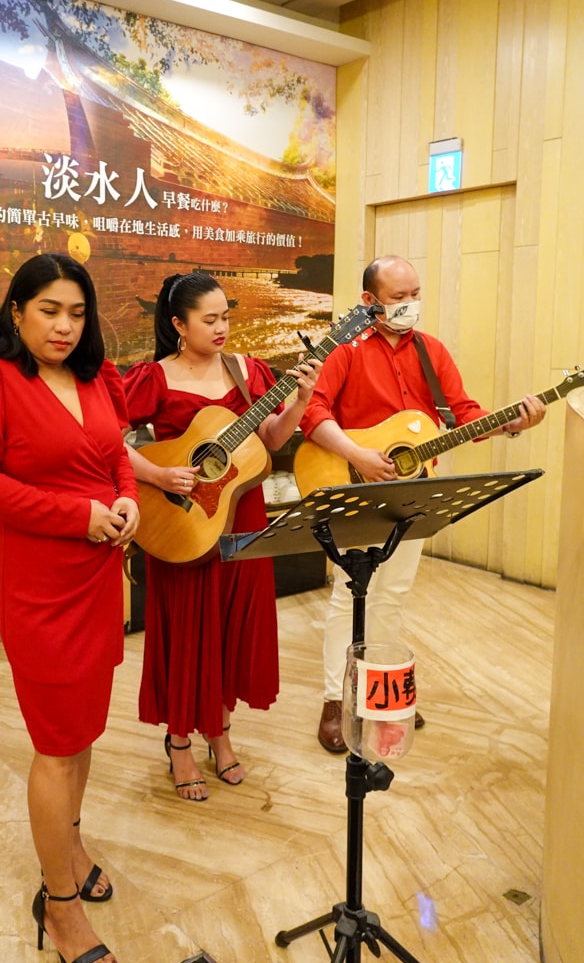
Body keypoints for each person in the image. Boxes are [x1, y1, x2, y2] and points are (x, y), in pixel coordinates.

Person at [0, 253, 139, 963]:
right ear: (16, 309)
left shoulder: (95, 375)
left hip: (97, 572)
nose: (63, 325)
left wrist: (126, 501)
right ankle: (59, 905)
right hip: (37, 581)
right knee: (56, 743)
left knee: (83, 727)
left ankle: (73, 848)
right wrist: (79, 516)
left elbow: (116, 454)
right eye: (49, 310)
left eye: (76, 312)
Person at [299, 255, 547, 752]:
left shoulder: (432, 351)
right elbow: (312, 412)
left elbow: (465, 414)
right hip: (353, 484)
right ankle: (334, 701)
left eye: (415, 294)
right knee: (349, 595)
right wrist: (357, 455)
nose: (411, 305)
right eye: (398, 298)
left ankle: (382, 697)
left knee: (393, 594)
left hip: (414, 488)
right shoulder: (345, 348)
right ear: (369, 301)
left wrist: (514, 422)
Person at [123, 271, 319, 801]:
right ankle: (180, 741)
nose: (222, 328)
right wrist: (159, 476)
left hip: (242, 512)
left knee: (234, 625)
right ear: (178, 325)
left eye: (226, 317)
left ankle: (221, 732)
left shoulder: (246, 370)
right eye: (209, 320)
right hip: (182, 519)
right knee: (188, 628)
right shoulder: (153, 378)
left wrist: (299, 401)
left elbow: (271, 437)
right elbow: (106, 442)